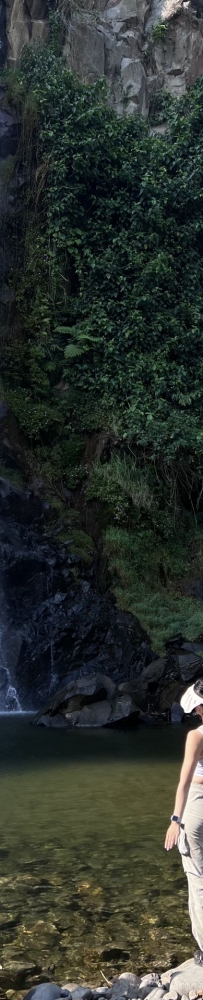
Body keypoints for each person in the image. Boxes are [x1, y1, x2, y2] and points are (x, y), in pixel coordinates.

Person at [165, 678, 203, 965]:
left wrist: (175, 820)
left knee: (197, 878)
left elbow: (185, 782)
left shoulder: (197, 736)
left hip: (197, 804)